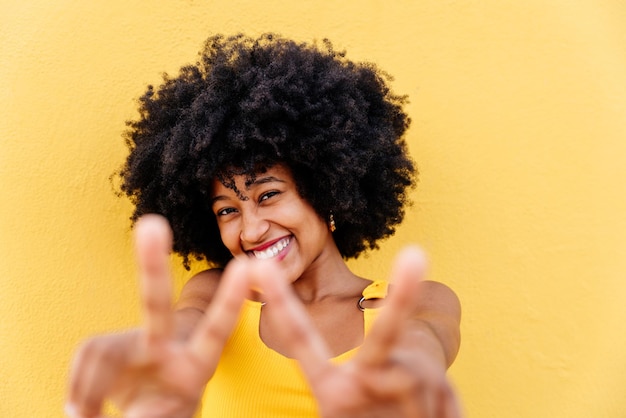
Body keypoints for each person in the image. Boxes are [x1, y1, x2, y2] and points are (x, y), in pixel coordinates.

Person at [66, 33, 462, 418]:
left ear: (325, 191)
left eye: (268, 195)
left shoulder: (416, 303)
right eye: (227, 210)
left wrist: (411, 369)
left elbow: (424, 342)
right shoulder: (219, 296)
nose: (251, 231)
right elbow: (185, 330)